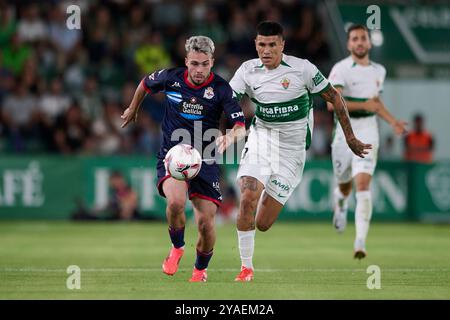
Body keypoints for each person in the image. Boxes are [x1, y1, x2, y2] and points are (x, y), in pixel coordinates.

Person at [229, 21, 371, 282]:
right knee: (247, 195)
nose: (267, 50)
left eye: (272, 44)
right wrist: (230, 128)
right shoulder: (247, 71)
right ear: (256, 45)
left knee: (262, 223)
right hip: (262, 139)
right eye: (262, 44)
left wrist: (350, 137)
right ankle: (246, 268)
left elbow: (335, 98)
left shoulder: (303, 69)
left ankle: (264, 193)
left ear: (282, 45)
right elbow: (227, 100)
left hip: (292, 152)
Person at [120, 36, 246, 282]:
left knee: (206, 226)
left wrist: (231, 137)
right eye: (195, 63)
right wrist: (134, 108)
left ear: (212, 63)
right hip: (173, 155)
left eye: (205, 64)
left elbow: (240, 124)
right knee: (176, 203)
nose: (199, 70)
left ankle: (200, 270)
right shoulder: (171, 78)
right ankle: (177, 247)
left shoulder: (221, 89)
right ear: (186, 61)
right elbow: (145, 83)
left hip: (206, 160)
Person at [327, 24, 407, 259]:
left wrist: (393, 122)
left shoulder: (378, 71)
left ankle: (360, 242)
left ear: (369, 43)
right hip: (344, 131)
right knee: (345, 184)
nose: (360, 42)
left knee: (363, 186)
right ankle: (341, 203)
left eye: (363, 38)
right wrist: (363, 105)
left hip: (369, 129)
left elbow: (376, 104)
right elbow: (332, 104)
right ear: (349, 44)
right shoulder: (340, 69)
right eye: (355, 39)